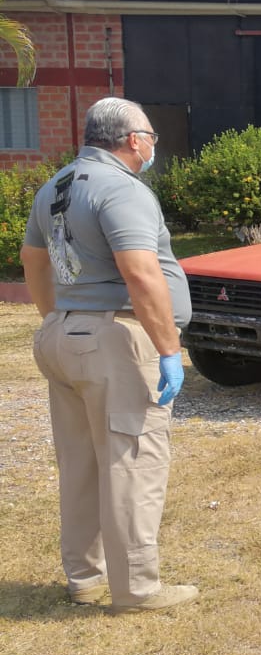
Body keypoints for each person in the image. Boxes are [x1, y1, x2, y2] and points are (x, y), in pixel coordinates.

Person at [20, 97, 197, 613]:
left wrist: (56, 317)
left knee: (81, 464)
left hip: (67, 338)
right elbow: (140, 273)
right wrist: (168, 348)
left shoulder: (56, 184)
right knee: (131, 462)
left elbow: (34, 260)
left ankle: (85, 578)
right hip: (115, 340)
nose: (151, 146)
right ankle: (138, 589)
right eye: (150, 136)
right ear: (130, 139)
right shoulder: (122, 189)